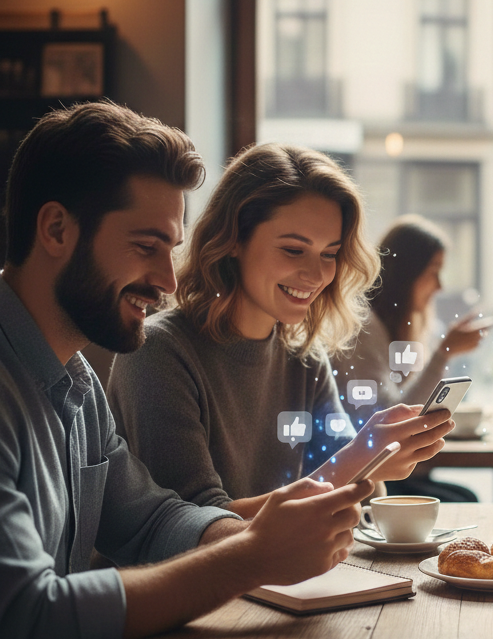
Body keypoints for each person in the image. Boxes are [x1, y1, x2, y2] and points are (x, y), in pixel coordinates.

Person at [0, 101, 373, 638]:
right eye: (145, 246)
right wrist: (251, 558)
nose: (167, 281)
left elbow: (151, 518)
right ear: (57, 229)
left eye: (169, 249)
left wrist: (253, 538)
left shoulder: (76, 384)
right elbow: (29, 613)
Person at [107, 146, 454, 519]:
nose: (317, 275)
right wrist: (359, 460)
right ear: (234, 239)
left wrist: (377, 460)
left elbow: (357, 491)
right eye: (293, 250)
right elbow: (198, 527)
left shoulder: (303, 357)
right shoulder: (159, 352)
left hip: (281, 575)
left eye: (329, 253)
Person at [338, 215, 486, 501]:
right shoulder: (363, 328)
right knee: (465, 501)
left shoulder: (397, 326)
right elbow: (391, 419)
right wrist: (444, 354)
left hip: (393, 473)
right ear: (406, 272)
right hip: (375, 477)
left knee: (465, 498)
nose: (440, 286)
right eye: (433, 271)